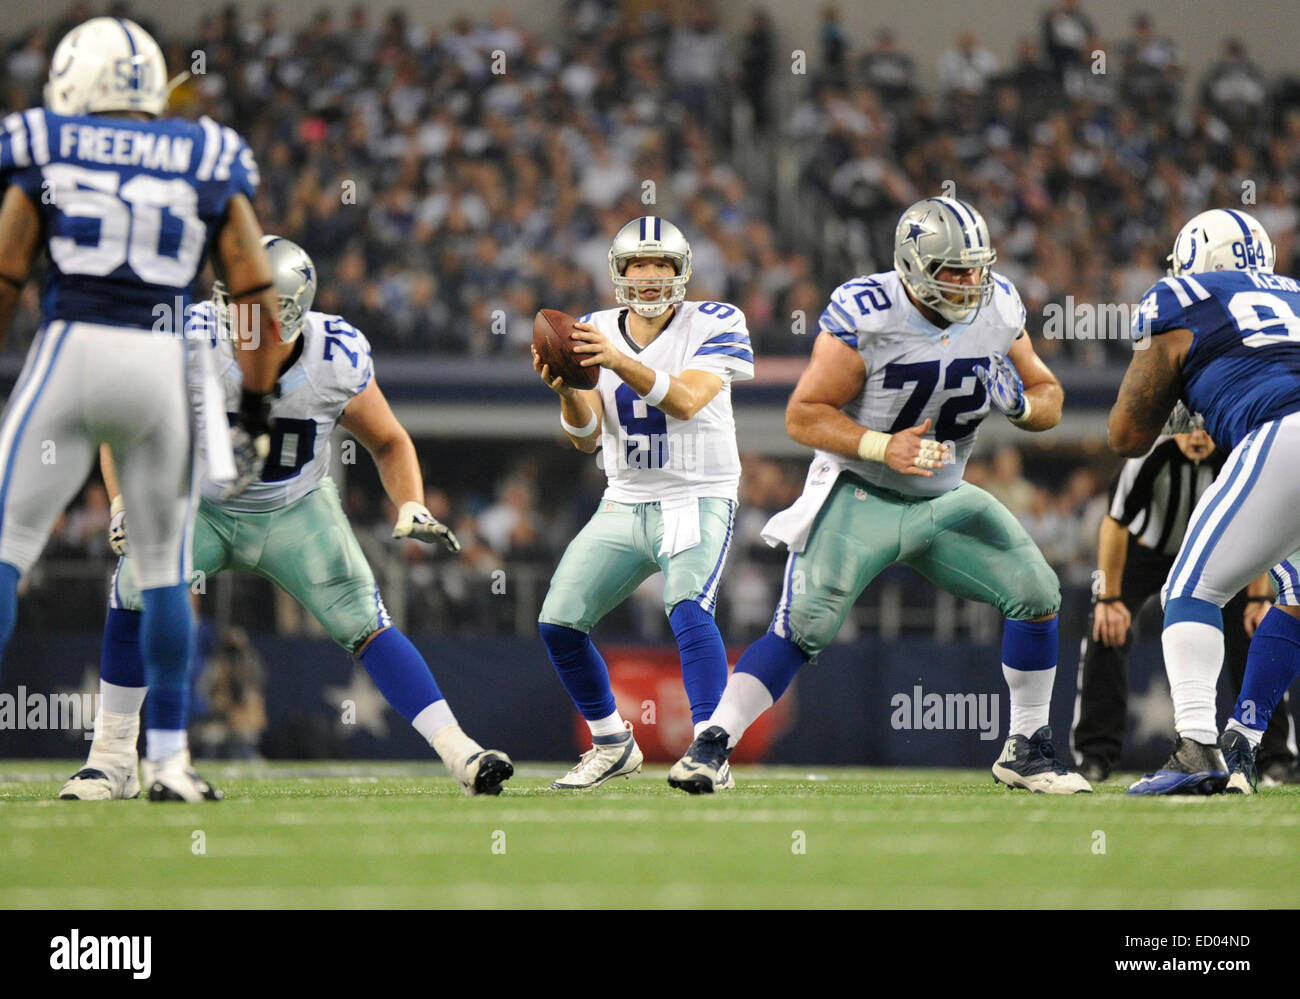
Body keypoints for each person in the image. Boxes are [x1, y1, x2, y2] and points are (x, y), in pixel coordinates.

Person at [60, 236, 513, 801]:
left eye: (252, 305)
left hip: (292, 507)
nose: (236, 318)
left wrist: (411, 501)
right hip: (196, 502)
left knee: (364, 619)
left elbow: (389, 441)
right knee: (131, 587)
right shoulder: (188, 336)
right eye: (232, 300)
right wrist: (124, 503)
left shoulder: (333, 355)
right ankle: (111, 760)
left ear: (291, 311)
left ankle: (460, 752)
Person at [669, 196, 1091, 794]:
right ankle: (710, 746)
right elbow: (804, 414)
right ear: (913, 266)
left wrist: (1022, 406)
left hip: (944, 497)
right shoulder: (869, 311)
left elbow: (1049, 394)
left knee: (1037, 592)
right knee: (802, 627)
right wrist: (878, 446)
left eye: (977, 267)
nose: (971, 282)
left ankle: (1027, 747)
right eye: (954, 270)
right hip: (860, 490)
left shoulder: (998, 305)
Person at [0, 17, 287, 801]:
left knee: (7, 548)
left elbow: (8, 270)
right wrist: (255, 407)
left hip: (71, 349)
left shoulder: (40, 139)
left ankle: (133, 758)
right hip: (163, 364)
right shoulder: (208, 150)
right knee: (163, 572)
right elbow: (252, 286)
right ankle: (168, 761)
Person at [532, 215, 752, 789]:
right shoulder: (595, 328)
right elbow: (584, 439)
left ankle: (709, 751)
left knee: (687, 607)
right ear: (618, 274)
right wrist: (569, 392)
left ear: (682, 272)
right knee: (558, 622)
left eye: (661, 266)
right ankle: (611, 743)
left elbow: (683, 401)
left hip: (696, 493)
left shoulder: (716, 321)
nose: (650, 277)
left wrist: (613, 360)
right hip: (625, 497)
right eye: (638, 266)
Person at [1109, 208, 1300, 795]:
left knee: (1189, 590)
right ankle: (1243, 734)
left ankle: (1197, 747)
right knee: (1295, 596)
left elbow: (1126, 435)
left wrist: (1187, 402)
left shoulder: (1179, 296)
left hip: (1283, 429)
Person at [1072, 428, 1294, 783]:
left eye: (1204, 426)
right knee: (1105, 629)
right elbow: (1115, 523)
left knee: (1256, 629)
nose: (1196, 436)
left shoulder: (1238, 449)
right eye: (1187, 427)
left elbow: (1262, 525)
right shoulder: (1148, 454)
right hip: (1149, 551)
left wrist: (1258, 596)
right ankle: (1096, 755)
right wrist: (1109, 598)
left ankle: (1275, 756)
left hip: (1218, 554)